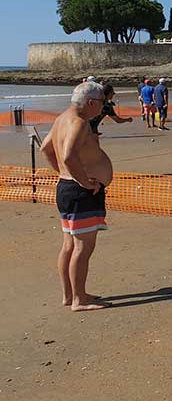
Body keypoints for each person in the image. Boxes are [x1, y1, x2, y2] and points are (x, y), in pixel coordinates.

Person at [39, 81, 113, 311]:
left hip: (67, 188)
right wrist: (83, 181)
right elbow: (69, 155)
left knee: (70, 245)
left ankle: (71, 295)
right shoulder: (79, 123)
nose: (104, 108)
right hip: (80, 192)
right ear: (91, 102)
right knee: (83, 248)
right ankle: (79, 300)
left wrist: (63, 173)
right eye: (103, 103)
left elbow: (45, 149)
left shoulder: (61, 118)